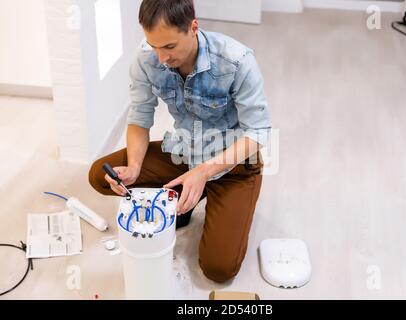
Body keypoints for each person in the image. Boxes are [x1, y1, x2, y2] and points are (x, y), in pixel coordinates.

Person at [88, 0, 271, 283]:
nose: (161, 57)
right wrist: (135, 167)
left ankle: (209, 195)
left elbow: (257, 133)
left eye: (169, 46)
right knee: (100, 174)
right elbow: (139, 117)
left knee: (218, 270)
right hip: (184, 155)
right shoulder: (146, 58)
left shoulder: (236, 61)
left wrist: (204, 173)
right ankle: (183, 198)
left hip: (233, 166)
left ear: (193, 27)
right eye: (154, 45)